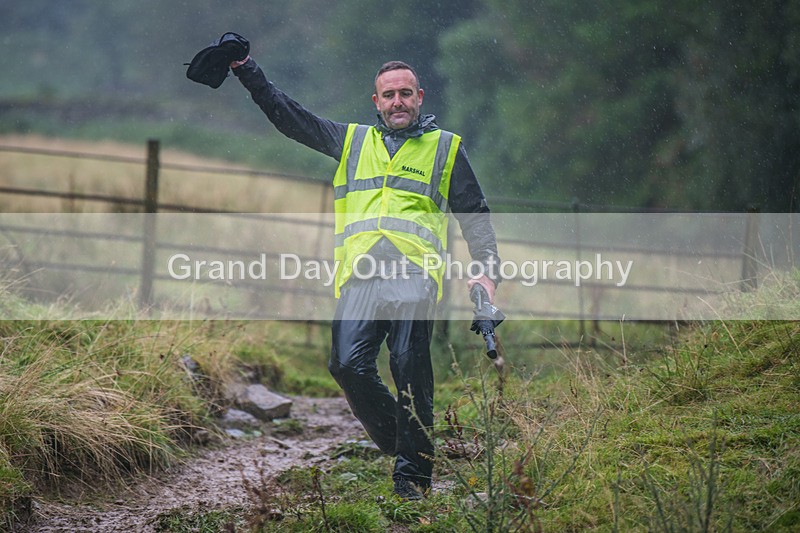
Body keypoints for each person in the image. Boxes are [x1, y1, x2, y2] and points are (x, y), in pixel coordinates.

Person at [228, 52, 500, 500]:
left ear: (420, 97)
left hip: (415, 272)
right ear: (376, 101)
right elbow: (289, 116)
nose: (398, 102)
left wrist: (486, 273)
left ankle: (412, 480)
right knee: (346, 365)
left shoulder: (446, 148)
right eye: (389, 95)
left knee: (409, 367)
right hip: (362, 271)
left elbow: (475, 215)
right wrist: (246, 68)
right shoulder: (351, 141)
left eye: (405, 94)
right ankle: (407, 443)